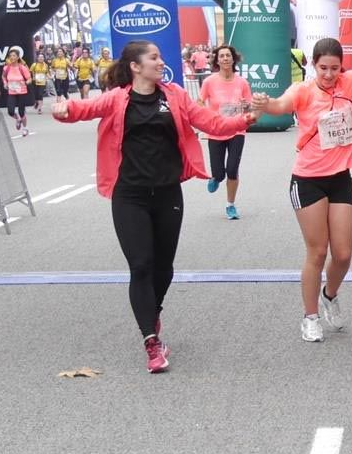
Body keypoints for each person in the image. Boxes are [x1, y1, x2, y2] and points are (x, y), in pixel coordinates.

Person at [53, 41, 256, 373]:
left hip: (166, 194)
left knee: (164, 268)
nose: (161, 62)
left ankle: (153, 309)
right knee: (141, 265)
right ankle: (151, 341)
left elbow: (212, 123)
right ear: (135, 66)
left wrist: (246, 119)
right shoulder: (119, 98)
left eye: (161, 57)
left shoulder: (174, 95)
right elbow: (85, 109)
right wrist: (65, 110)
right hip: (129, 195)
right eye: (154, 58)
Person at [253, 38, 352, 342]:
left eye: (335, 68)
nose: (329, 74)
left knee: (344, 255)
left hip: (339, 178)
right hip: (307, 180)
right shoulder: (303, 90)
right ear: (313, 65)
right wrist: (264, 103)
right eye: (323, 68)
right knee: (318, 251)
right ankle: (309, 316)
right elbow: (280, 105)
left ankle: (329, 295)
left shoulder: (350, 82)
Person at [199, 45, 253, 220]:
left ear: (233, 59)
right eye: (221, 56)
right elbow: (200, 102)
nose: (225, 59)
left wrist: (246, 106)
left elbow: (249, 106)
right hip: (216, 129)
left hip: (237, 129)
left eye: (228, 56)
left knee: (232, 169)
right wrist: (204, 118)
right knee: (219, 173)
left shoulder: (242, 82)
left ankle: (230, 205)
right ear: (217, 60)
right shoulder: (209, 82)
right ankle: (215, 177)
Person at [2, 49, 32, 136]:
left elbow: (29, 78)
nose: (12, 57)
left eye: (14, 55)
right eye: (10, 56)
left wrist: (27, 82)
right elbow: (3, 77)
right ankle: (17, 118)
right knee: (10, 111)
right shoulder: (6, 68)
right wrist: (5, 83)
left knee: (21, 111)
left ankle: (25, 128)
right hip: (12, 92)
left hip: (21, 91)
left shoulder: (22, 68)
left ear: (18, 57)